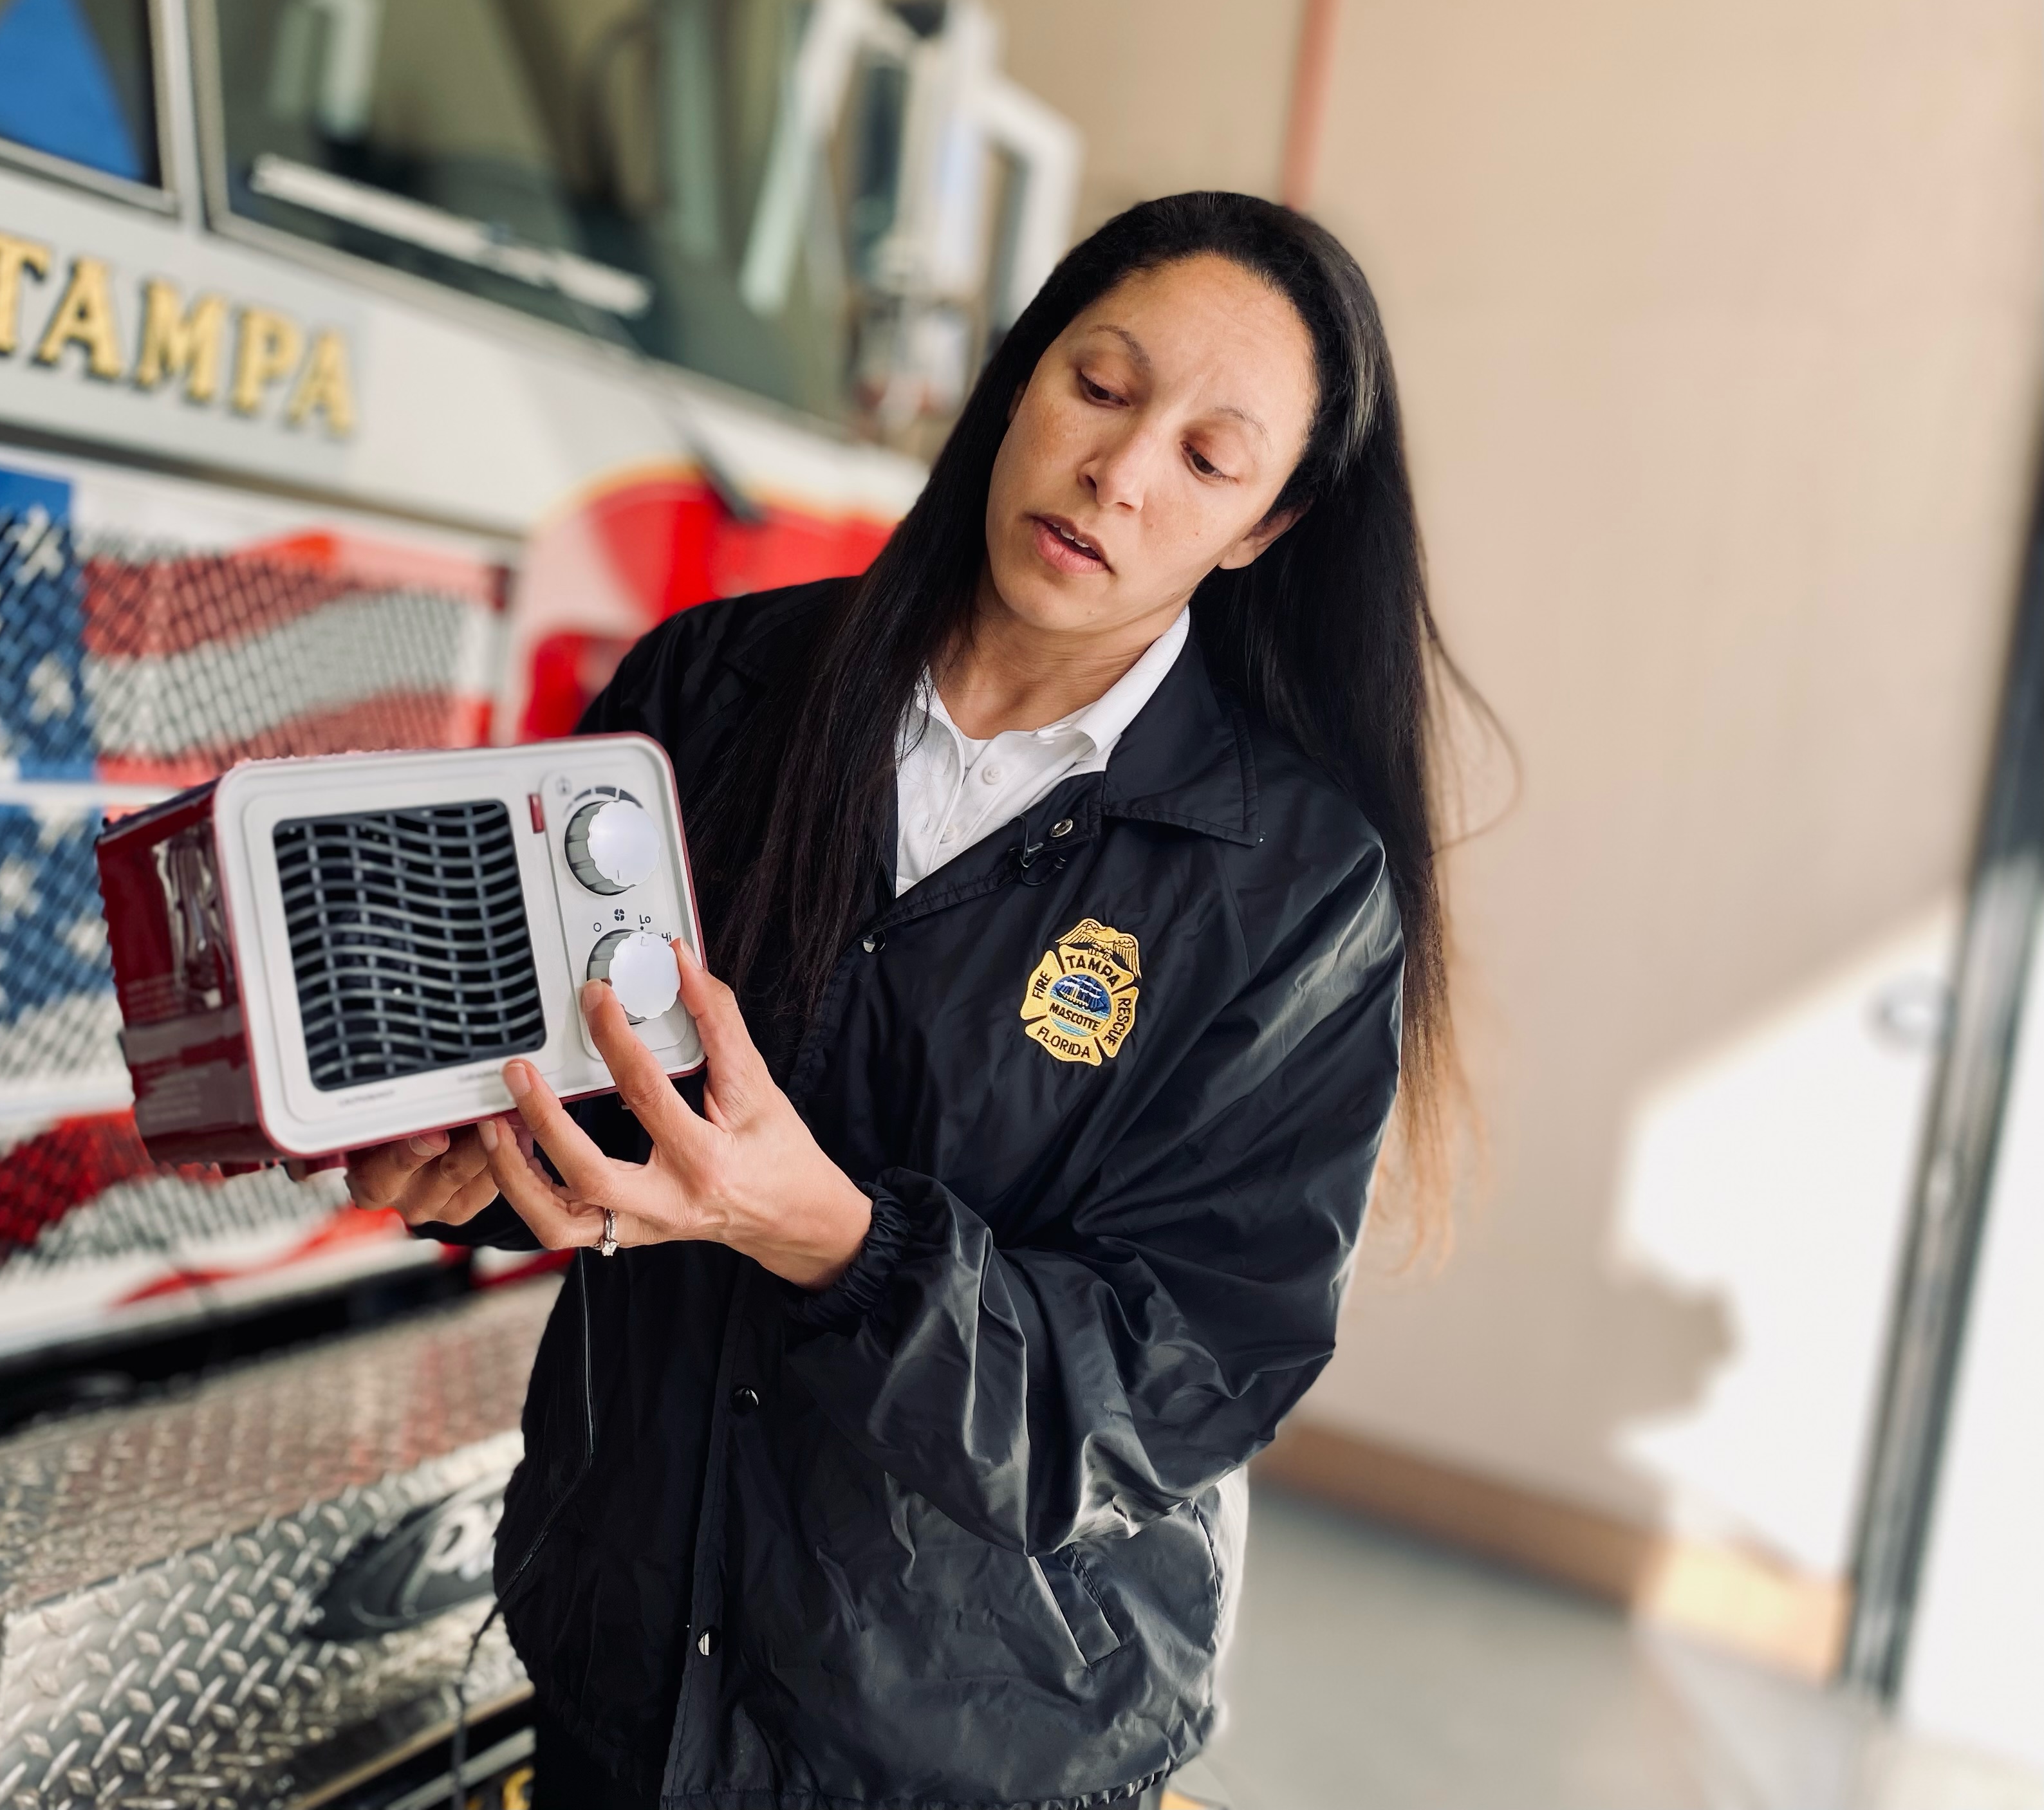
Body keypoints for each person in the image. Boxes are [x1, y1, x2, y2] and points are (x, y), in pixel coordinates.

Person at [291, 191, 1472, 1807]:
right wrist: (479, 1172)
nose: (1118, 474)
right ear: (1020, 379)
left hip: (971, 1741)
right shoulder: (708, 691)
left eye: (1210, 459)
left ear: (1265, 528)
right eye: (1101, 388)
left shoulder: (1291, 885)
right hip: (627, 1667)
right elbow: (596, 1099)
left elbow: (1180, 1380)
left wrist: (838, 1242)